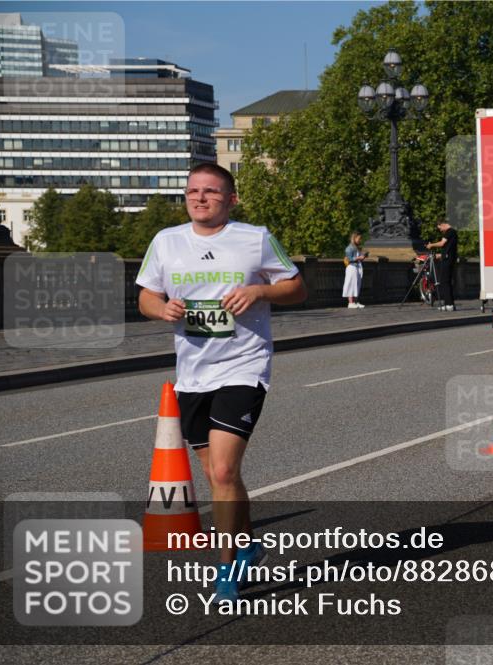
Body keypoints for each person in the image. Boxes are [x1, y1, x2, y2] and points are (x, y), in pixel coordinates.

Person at [136, 163, 307, 603]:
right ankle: (248, 543)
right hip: (193, 372)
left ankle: (227, 567)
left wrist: (259, 292)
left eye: (211, 192)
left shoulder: (255, 238)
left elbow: (297, 288)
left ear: (230, 199)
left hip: (244, 367)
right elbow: (145, 296)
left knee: (226, 470)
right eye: (193, 191)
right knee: (217, 475)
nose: (200, 198)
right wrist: (162, 310)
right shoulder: (167, 241)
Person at [426, 219, 458, 311]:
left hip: (448, 260)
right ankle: (450, 304)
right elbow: (449, 248)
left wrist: (431, 245)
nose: (440, 230)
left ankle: (449, 304)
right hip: (448, 259)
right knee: (446, 281)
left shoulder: (449, 231)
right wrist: (440, 255)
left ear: (443, 224)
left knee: (444, 281)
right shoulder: (452, 232)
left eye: (440, 228)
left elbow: (442, 243)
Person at [342, 231, 368, 309]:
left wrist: (362, 257)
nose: (360, 240)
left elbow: (358, 258)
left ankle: (356, 301)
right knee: (351, 284)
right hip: (351, 267)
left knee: (357, 285)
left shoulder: (357, 248)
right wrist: (358, 258)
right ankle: (351, 302)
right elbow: (349, 259)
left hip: (357, 267)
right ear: (354, 238)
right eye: (359, 239)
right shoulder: (349, 248)